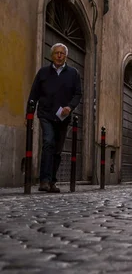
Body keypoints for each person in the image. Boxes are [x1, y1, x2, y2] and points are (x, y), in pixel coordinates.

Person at [27, 43, 82, 193]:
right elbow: (34, 94)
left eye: (61, 53)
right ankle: (44, 180)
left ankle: (52, 181)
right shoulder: (43, 73)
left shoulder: (73, 73)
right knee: (48, 141)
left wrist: (69, 107)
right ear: (51, 56)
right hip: (45, 114)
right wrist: (29, 114)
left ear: (66, 56)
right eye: (56, 53)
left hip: (62, 117)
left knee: (57, 150)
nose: (59, 56)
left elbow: (78, 94)